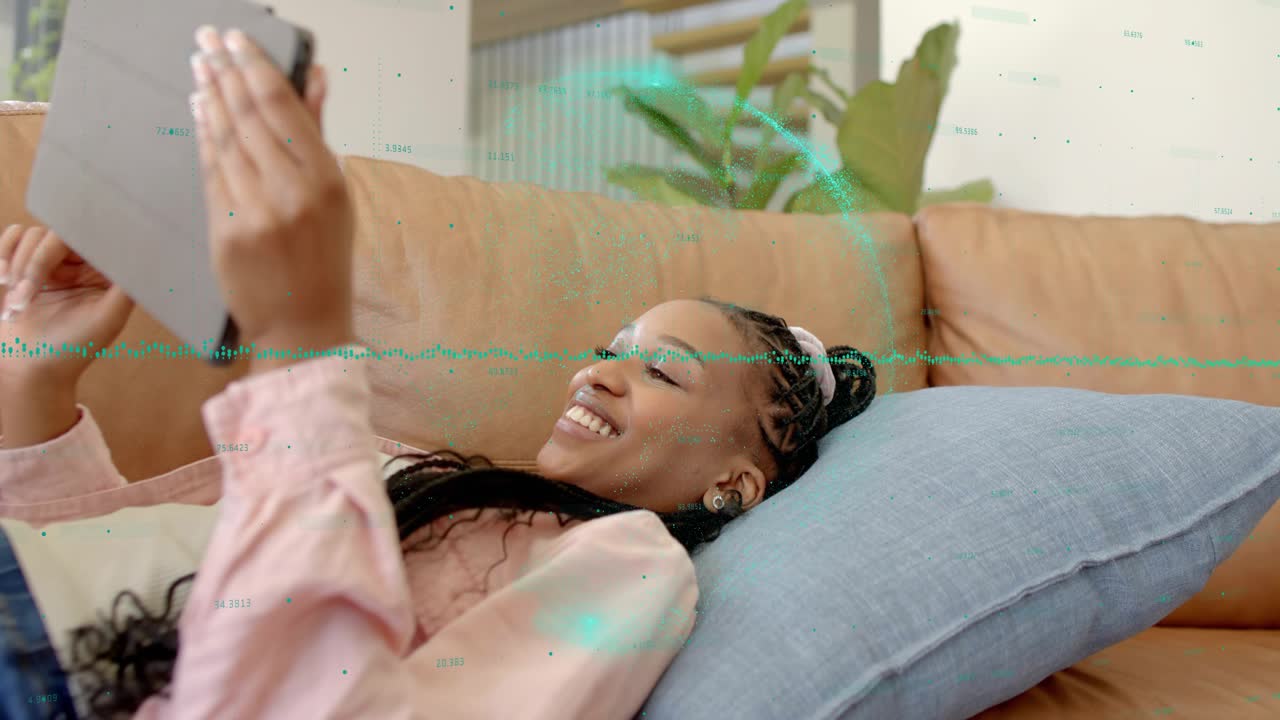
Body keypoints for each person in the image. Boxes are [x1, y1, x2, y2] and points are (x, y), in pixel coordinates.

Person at [0, 25, 877, 720]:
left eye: (663, 373)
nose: (599, 375)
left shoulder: (626, 568)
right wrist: (35, 385)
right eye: (611, 351)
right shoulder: (410, 472)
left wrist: (300, 342)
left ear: (733, 482)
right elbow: (130, 567)